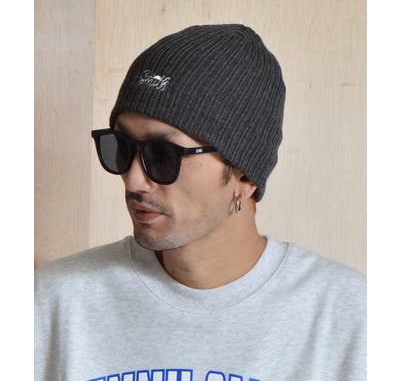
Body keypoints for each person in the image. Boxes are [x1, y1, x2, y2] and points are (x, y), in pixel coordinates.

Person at [35, 24, 366, 381]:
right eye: (122, 148)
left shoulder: (351, 320)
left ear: (245, 175)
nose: (133, 179)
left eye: (163, 155)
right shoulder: (53, 303)